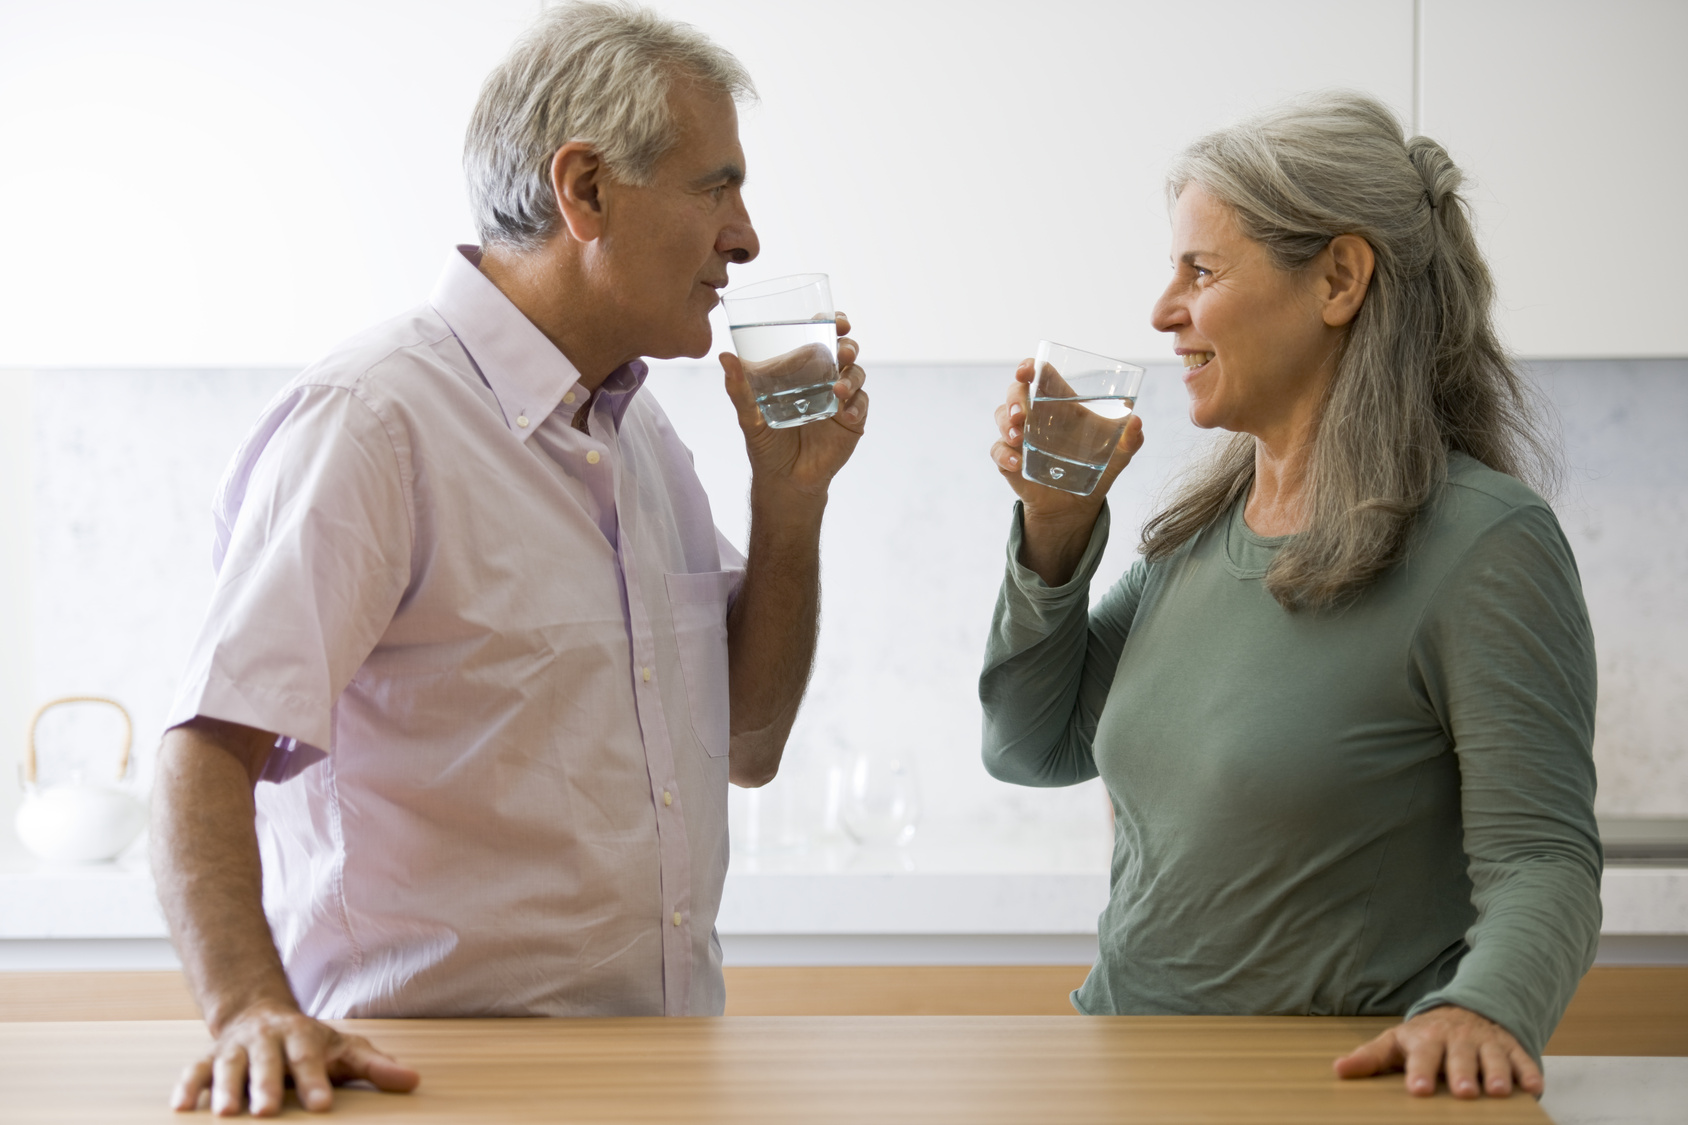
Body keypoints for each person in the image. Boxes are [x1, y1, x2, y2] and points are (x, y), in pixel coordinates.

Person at [151, 3, 869, 1115]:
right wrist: (248, 1005)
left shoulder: (640, 439)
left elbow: (749, 743)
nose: (745, 236)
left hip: (659, 1076)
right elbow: (203, 748)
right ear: (583, 189)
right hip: (431, 1087)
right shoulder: (375, 421)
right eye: (713, 186)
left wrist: (790, 502)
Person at [981, 91, 1598, 1100]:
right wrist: (1052, 533)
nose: (1161, 310)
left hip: (1326, 1092)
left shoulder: (1483, 542)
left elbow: (1541, 857)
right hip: (1125, 1078)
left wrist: (1480, 1006)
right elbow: (1028, 747)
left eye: (1200, 269)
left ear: (1338, 280)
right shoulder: (1194, 541)